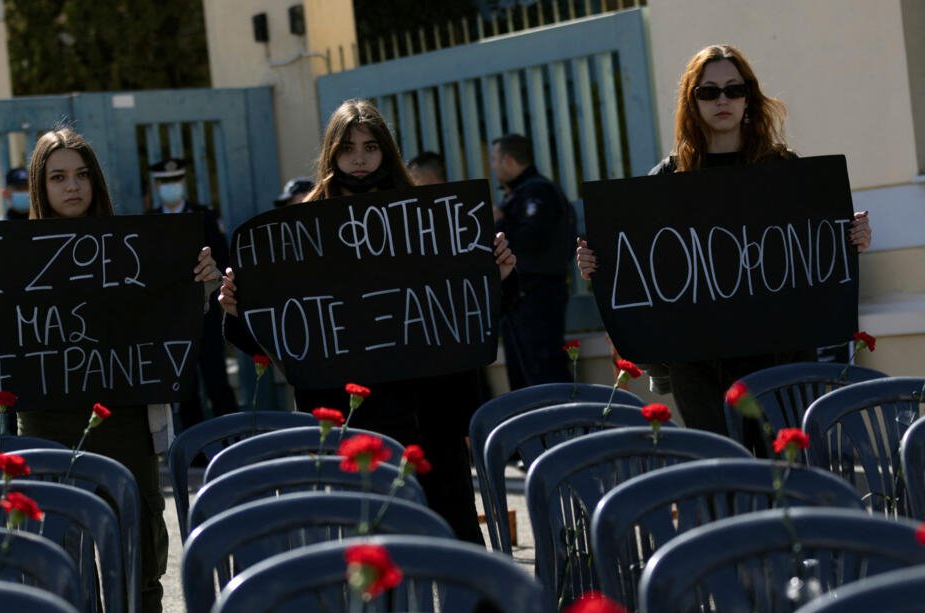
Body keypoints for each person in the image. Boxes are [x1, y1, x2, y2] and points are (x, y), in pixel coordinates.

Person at [0, 127, 220, 613]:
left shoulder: (137, 245)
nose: (72, 186)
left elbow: (170, 320)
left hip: (124, 428)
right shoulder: (9, 256)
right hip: (44, 429)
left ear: (96, 181)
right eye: (57, 176)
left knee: (136, 562)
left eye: (80, 174)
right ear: (40, 185)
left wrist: (200, 287)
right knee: (57, 559)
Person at [218, 99, 518, 544]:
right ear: (331, 154)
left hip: (431, 409)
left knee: (451, 532)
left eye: (371, 147)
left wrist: (500, 276)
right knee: (370, 542)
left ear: (387, 153)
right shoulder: (301, 229)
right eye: (348, 148)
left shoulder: (427, 217)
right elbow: (276, 332)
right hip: (351, 411)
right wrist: (238, 309)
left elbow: (468, 310)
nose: (359, 159)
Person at [575, 44, 873, 436]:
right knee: (722, 474)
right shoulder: (668, 180)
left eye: (734, 89)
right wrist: (596, 265)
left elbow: (814, 248)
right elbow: (637, 265)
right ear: (692, 101)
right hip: (699, 364)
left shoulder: (783, 170)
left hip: (781, 352)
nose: (723, 100)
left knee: (784, 470)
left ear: (749, 97)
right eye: (708, 91)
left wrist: (851, 236)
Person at [147, 158, 238, 429]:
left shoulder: (204, 216)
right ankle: (194, 455)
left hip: (205, 311)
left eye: (174, 180)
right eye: (164, 182)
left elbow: (221, 258)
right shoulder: (150, 221)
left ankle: (232, 438)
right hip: (171, 318)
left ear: (183, 182)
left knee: (216, 380)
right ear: (157, 186)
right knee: (185, 386)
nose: (170, 187)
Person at [491, 134, 575, 390]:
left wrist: (499, 222)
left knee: (545, 376)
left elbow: (531, 239)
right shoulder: (520, 193)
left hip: (537, 295)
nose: (493, 167)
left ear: (507, 160)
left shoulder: (537, 191)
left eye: (495, 160)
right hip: (520, 299)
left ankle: (560, 427)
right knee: (524, 381)